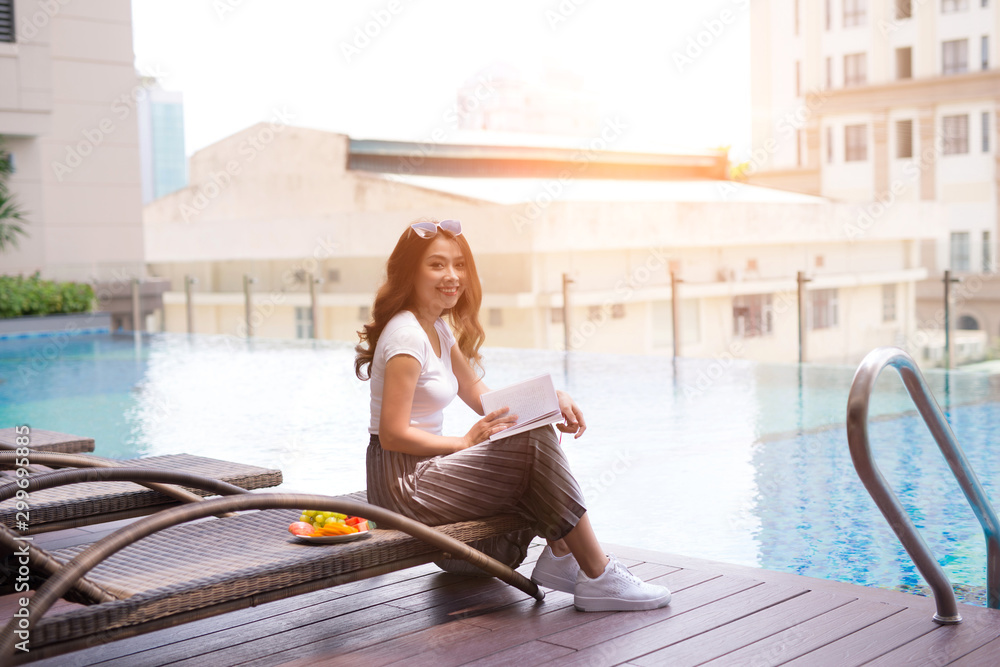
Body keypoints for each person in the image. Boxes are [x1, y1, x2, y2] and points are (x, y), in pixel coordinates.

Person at [355, 218, 671, 612]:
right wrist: (463, 442)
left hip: (429, 473)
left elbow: (481, 395)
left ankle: (562, 555)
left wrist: (549, 403)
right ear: (410, 272)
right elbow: (392, 434)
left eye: (459, 264)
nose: (451, 276)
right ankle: (595, 572)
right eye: (436, 265)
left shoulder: (436, 328)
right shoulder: (406, 337)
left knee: (533, 430)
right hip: (403, 484)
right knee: (530, 443)